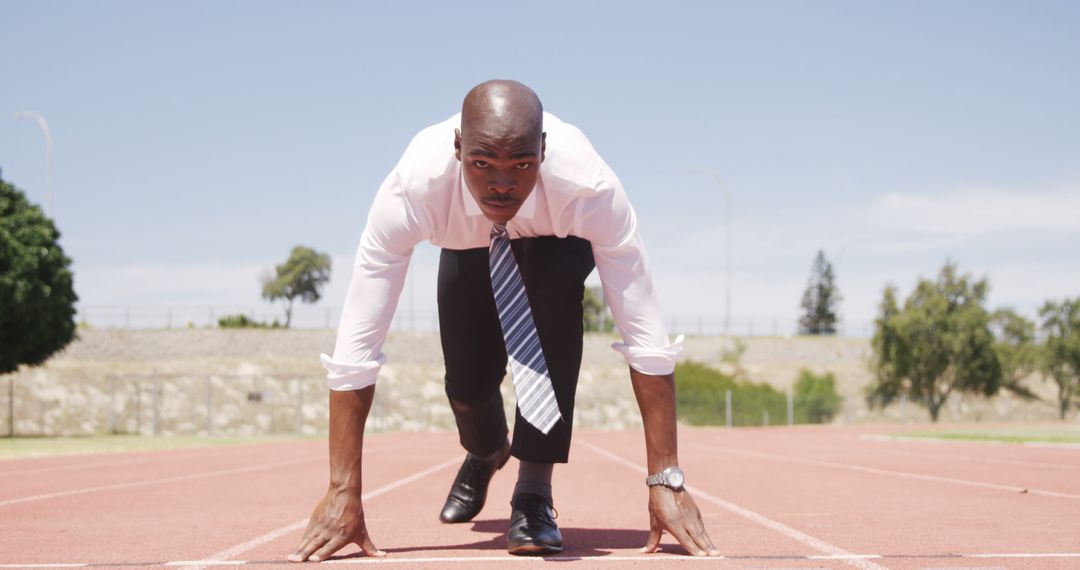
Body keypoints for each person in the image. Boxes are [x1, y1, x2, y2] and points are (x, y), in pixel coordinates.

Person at [288, 80, 719, 561]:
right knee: (467, 384)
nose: (501, 182)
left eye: (521, 164)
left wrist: (667, 478)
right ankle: (487, 449)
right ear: (457, 149)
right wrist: (342, 489)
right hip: (468, 242)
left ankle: (533, 492)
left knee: (555, 290)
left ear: (543, 151)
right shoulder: (413, 190)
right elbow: (358, 344)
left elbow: (645, 333)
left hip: (555, 239)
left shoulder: (588, 189)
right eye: (482, 163)